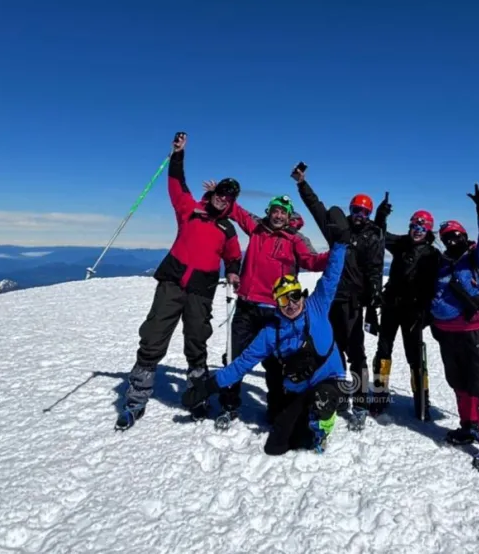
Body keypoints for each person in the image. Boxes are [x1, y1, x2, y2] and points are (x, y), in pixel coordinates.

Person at [180, 207, 352, 456]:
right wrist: (207, 387)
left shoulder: (317, 306)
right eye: (283, 300)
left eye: (294, 296)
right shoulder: (271, 333)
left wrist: (341, 244)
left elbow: (331, 275)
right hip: (299, 387)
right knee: (277, 446)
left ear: (301, 294)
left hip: (328, 380)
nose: (291, 304)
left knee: (321, 403)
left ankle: (323, 426)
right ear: (276, 303)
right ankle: (301, 416)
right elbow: (242, 364)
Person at [116, 132, 243, 431]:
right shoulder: (190, 210)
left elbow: (234, 256)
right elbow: (176, 184)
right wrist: (178, 154)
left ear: (231, 203)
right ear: (213, 192)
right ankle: (136, 399)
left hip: (202, 289)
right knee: (154, 336)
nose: (222, 198)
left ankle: (197, 396)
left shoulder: (227, 229)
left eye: (228, 197)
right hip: (172, 282)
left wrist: (233, 271)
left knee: (196, 341)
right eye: (220, 192)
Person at [209, 189, 330, 430]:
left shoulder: (295, 238)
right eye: (275, 211)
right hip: (247, 306)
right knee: (234, 356)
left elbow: (312, 261)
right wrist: (220, 193)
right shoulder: (257, 227)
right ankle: (229, 405)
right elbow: (236, 211)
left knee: (276, 364)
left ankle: (276, 410)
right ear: (269, 212)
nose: (278, 215)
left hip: (276, 311)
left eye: (283, 212)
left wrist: (336, 253)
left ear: (289, 216)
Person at [292, 165, 385, 430]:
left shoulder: (372, 236)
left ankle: (361, 402)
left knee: (357, 353)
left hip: (353, 303)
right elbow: (317, 208)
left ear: (369, 214)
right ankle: (342, 394)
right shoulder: (337, 230)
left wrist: (373, 301)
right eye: (356, 210)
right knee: (332, 349)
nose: (359, 216)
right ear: (350, 210)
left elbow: (375, 269)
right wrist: (302, 184)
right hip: (328, 301)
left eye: (364, 212)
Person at [429, 183, 479, 471]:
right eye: (447, 237)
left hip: (475, 332)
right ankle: (469, 427)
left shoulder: (476, 258)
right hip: (448, 333)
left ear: (464, 235)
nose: (451, 240)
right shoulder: (443, 264)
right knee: (458, 382)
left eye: (456, 235)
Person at [369, 194, 441, 420]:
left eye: (421, 227)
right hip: (391, 306)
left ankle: (422, 399)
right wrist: (381, 216)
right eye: (414, 226)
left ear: (428, 230)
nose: (417, 230)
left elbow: (437, 286)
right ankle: (380, 396)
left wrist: (428, 313)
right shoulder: (401, 244)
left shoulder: (433, 255)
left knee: (415, 357)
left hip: (414, 312)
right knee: (383, 351)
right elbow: (381, 234)